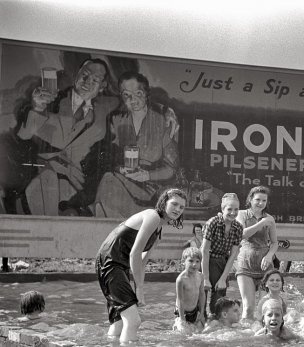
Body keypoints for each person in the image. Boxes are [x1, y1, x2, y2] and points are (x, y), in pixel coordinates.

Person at [17, 58, 118, 216]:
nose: (87, 82)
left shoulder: (106, 110)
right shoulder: (50, 99)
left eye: (95, 80)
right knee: (47, 180)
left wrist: (167, 111)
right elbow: (23, 136)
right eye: (85, 75)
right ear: (77, 74)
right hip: (40, 177)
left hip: (76, 186)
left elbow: (137, 102)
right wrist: (36, 107)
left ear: (102, 86)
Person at [96, 188, 187, 343]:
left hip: (120, 266)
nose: (177, 209)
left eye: (182, 207)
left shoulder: (159, 230)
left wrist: (139, 288)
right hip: (110, 263)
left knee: (119, 323)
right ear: (164, 202)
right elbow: (135, 254)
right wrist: (139, 289)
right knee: (133, 321)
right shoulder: (152, 217)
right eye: (174, 204)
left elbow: (142, 262)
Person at [94, 71, 180, 218]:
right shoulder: (116, 119)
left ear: (146, 94)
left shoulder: (162, 121)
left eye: (138, 93)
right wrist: (120, 168)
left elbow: (171, 169)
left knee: (107, 186)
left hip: (150, 189)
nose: (132, 100)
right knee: (108, 181)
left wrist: (147, 175)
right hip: (120, 181)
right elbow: (108, 157)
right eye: (126, 95)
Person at [236, 186, 278, 321]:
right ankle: (246, 338)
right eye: (257, 200)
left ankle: (265, 335)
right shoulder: (241, 214)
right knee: (248, 307)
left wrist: (269, 255)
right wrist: (261, 224)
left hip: (265, 265)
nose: (261, 203)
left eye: (264, 200)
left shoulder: (270, 218)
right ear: (250, 199)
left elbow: (274, 243)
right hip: (245, 264)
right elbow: (242, 234)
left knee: (269, 307)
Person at [202, 193, 244, 316]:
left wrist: (222, 279)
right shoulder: (213, 222)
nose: (233, 212)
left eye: (236, 209)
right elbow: (204, 250)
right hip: (206, 260)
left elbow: (233, 254)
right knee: (201, 297)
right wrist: (205, 278)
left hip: (222, 262)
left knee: (219, 301)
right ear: (222, 209)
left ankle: (215, 324)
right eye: (229, 209)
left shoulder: (238, 227)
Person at [174, 247, 206, 332]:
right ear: (183, 262)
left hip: (194, 311)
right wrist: (182, 319)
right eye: (191, 261)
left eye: (197, 261)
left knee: (200, 332)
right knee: (184, 333)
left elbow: (202, 294)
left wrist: (202, 312)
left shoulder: (201, 276)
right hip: (182, 311)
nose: (194, 264)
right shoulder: (181, 279)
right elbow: (180, 300)